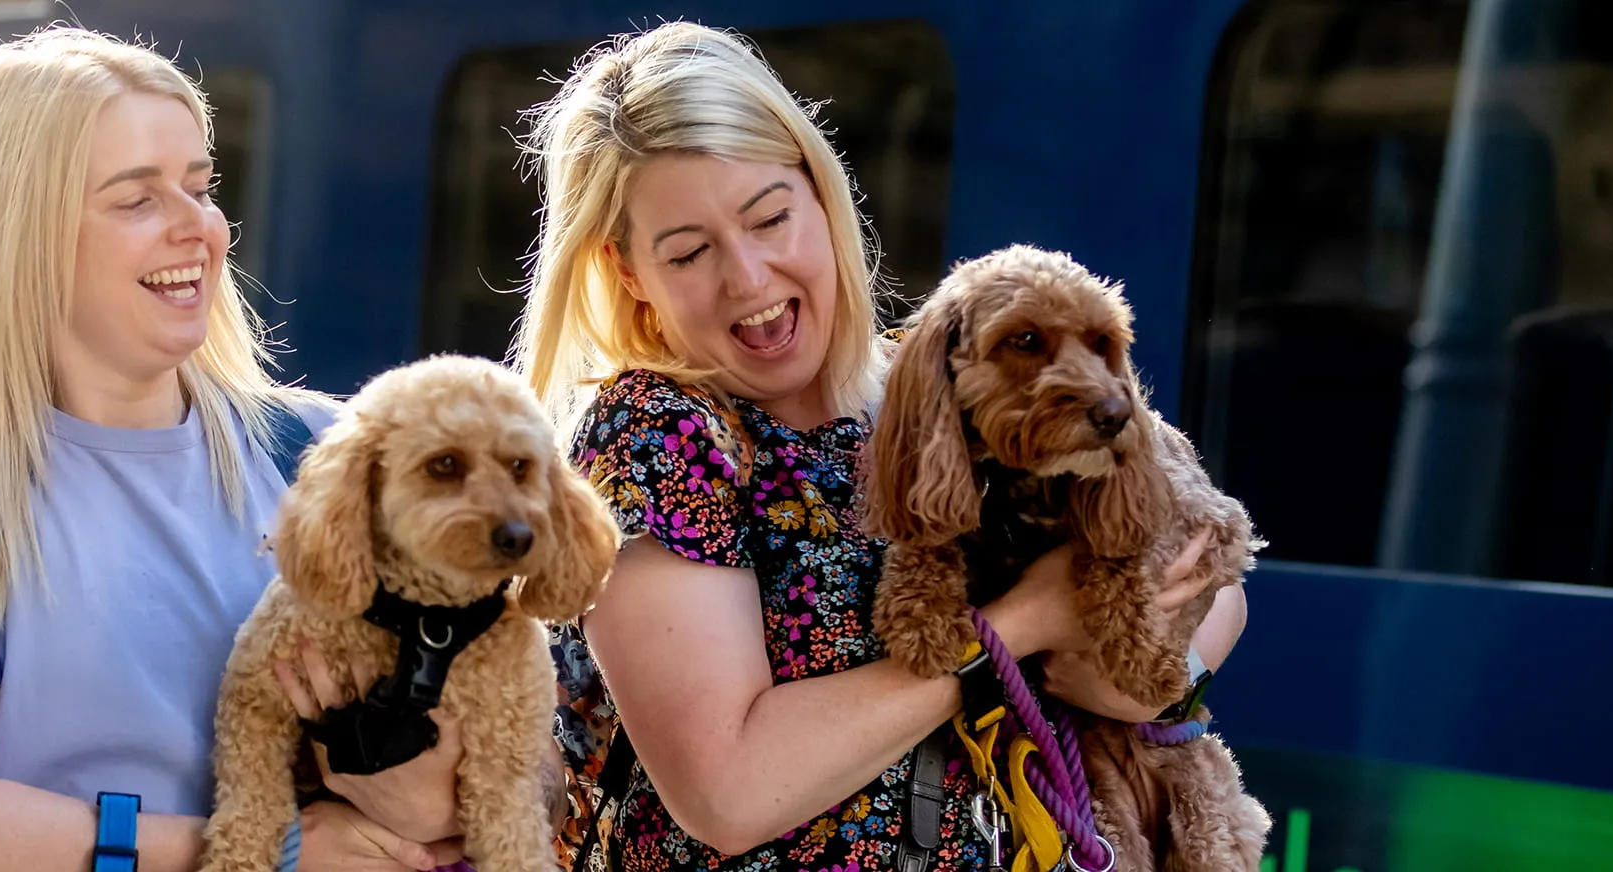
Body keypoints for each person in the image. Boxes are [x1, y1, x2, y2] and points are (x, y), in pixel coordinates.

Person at [510, 22, 1252, 872]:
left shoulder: (929, 380)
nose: (747, 278)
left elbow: (1200, 550)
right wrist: (1023, 625)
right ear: (629, 271)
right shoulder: (656, 431)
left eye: (770, 218)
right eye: (689, 253)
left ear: (821, 195)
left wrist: (1148, 664)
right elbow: (727, 791)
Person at [0, 27, 465, 872]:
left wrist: (425, 790)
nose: (198, 228)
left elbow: (521, 758)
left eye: (200, 187)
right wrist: (270, 852)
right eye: (138, 199)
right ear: (28, 234)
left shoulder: (325, 451)